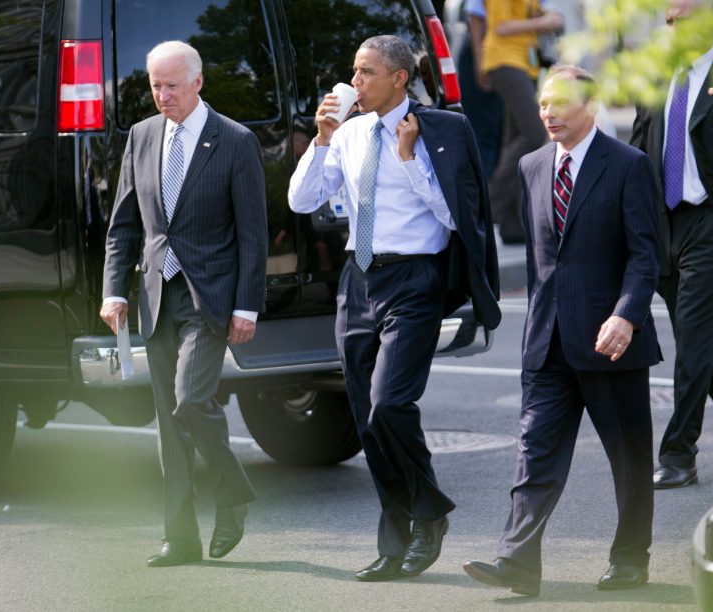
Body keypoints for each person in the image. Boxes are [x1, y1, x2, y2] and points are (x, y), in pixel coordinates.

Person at [288, 35, 500, 582]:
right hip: (357, 281)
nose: (354, 83)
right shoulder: (351, 132)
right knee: (366, 420)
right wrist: (320, 139)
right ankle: (398, 532)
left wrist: (409, 160)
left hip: (414, 279)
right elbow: (302, 201)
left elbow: (459, 218)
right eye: (354, 73)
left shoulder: (442, 131)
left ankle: (428, 516)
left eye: (366, 73)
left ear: (399, 78)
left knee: (388, 405)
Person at [464, 65, 661, 596]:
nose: (547, 112)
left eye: (560, 104)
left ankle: (630, 558)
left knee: (629, 458)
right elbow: (539, 261)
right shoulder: (531, 165)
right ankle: (518, 562)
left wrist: (627, 313)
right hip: (547, 340)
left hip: (610, 340)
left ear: (591, 107)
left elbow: (647, 254)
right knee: (535, 453)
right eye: (543, 103)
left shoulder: (629, 166)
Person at [101, 40, 268, 567]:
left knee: (189, 401)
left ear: (198, 82)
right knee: (169, 425)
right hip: (155, 295)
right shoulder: (142, 136)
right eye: (155, 85)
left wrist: (248, 306)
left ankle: (233, 494)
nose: (162, 95)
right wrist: (112, 290)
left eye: (172, 85)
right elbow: (123, 224)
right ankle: (180, 537)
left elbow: (253, 234)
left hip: (209, 297)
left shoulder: (235, 140)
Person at [630, 0, 713, 489]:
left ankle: (678, 453)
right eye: (670, 21)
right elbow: (635, 152)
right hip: (662, 226)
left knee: (693, 337)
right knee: (703, 344)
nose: (675, 28)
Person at [481, 0, 564, 243]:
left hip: (524, 64)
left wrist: (545, 17)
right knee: (534, 132)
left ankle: (512, 224)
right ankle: (490, 203)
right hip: (504, 61)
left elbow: (527, 17)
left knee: (516, 139)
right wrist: (543, 21)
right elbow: (500, 27)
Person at [457, 0, 504, 179]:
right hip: (482, 51)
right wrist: (480, 60)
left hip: (511, 57)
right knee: (483, 131)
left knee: (501, 133)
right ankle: (485, 197)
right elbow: (475, 15)